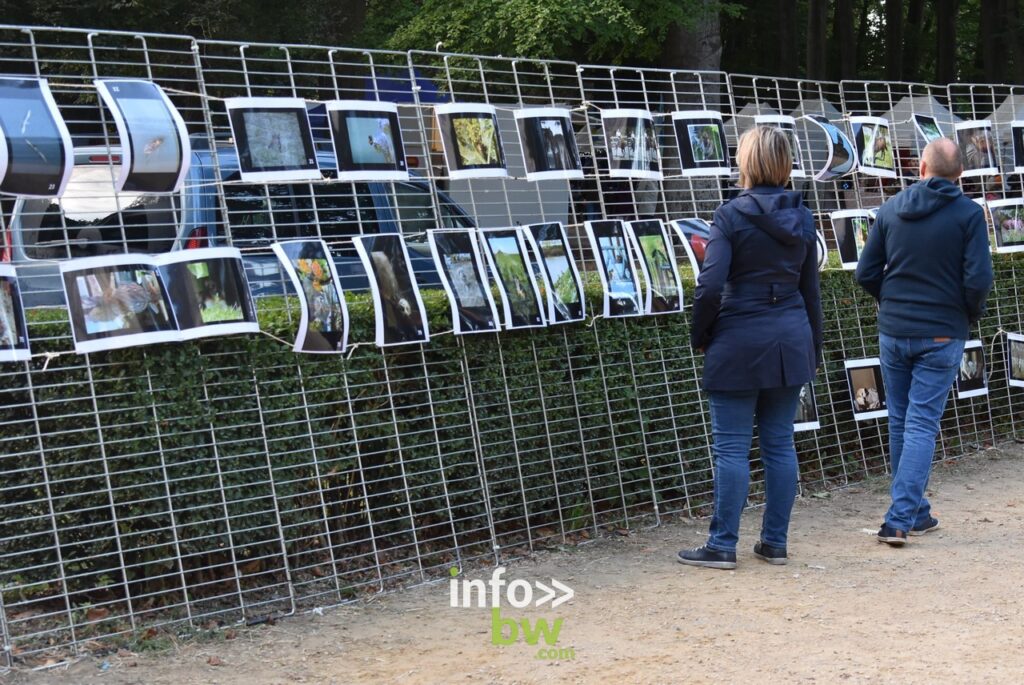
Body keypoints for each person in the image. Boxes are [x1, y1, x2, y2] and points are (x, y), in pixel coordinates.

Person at [678, 126, 823, 570]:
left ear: (746, 161)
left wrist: (701, 335)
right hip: (790, 339)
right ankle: (774, 542)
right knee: (780, 444)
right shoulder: (803, 216)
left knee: (732, 448)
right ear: (785, 164)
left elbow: (709, 287)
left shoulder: (730, 215)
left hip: (739, 340)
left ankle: (723, 544)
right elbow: (811, 290)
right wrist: (811, 348)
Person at [855, 138, 993, 546]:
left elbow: (866, 272)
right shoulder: (969, 214)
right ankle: (898, 520)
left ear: (921, 168)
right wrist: (966, 313)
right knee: (920, 424)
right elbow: (979, 280)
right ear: (960, 175)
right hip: (942, 330)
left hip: (894, 330)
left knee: (901, 421)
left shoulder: (890, 208)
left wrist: (889, 299)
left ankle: (915, 512)